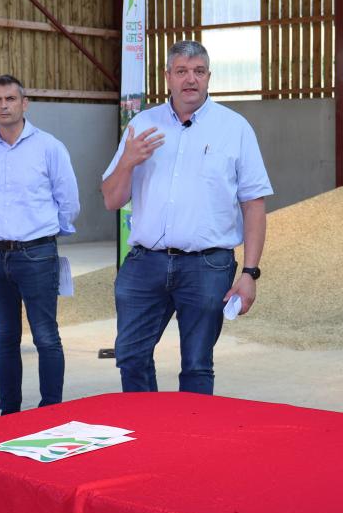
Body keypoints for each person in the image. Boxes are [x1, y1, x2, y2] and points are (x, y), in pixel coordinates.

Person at [101, 40, 272, 394]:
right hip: (145, 264)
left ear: (209, 77)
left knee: (196, 365)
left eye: (198, 71)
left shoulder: (234, 128)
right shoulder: (142, 125)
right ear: (167, 77)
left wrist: (250, 273)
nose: (190, 79)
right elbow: (112, 199)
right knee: (131, 355)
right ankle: (144, 431)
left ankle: (189, 442)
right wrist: (127, 160)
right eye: (181, 71)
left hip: (206, 267)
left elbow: (253, 203)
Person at [0, 75, 80, 415]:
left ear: (24, 103)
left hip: (37, 254)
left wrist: (43, 237)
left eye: (11, 99)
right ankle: (10, 413)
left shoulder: (48, 147)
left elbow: (69, 201)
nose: (4, 105)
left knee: (45, 336)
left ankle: (50, 412)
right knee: (4, 338)